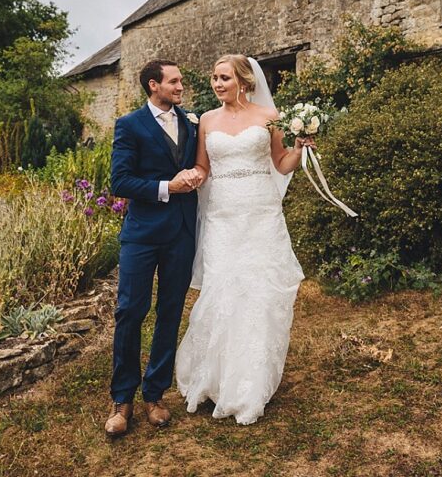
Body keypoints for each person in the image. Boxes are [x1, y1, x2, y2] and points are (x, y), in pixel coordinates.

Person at [175, 54, 308, 425]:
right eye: (215, 78)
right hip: (222, 217)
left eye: (224, 78)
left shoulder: (269, 118)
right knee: (222, 291)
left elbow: (280, 163)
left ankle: (249, 384)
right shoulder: (206, 121)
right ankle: (215, 378)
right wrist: (193, 176)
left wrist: (300, 149)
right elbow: (204, 166)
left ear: (244, 82)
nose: (217, 84)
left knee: (258, 294)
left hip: (261, 214)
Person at [105, 59, 203, 438]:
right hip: (142, 234)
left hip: (181, 232)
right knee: (130, 310)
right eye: (174, 81)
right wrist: (167, 187)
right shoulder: (129, 125)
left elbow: (200, 166)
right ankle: (121, 399)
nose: (181, 86)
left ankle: (155, 393)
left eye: (181, 80)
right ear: (153, 85)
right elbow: (120, 181)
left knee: (170, 311)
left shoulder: (192, 122)